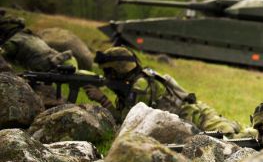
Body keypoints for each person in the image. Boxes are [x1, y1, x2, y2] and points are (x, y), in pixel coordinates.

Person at [86, 46, 246, 137]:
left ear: (118, 69)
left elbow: (127, 123)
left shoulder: (140, 86)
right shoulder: (135, 82)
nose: (107, 77)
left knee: (230, 139)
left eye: (108, 72)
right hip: (192, 120)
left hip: (199, 118)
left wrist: (103, 100)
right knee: (232, 132)